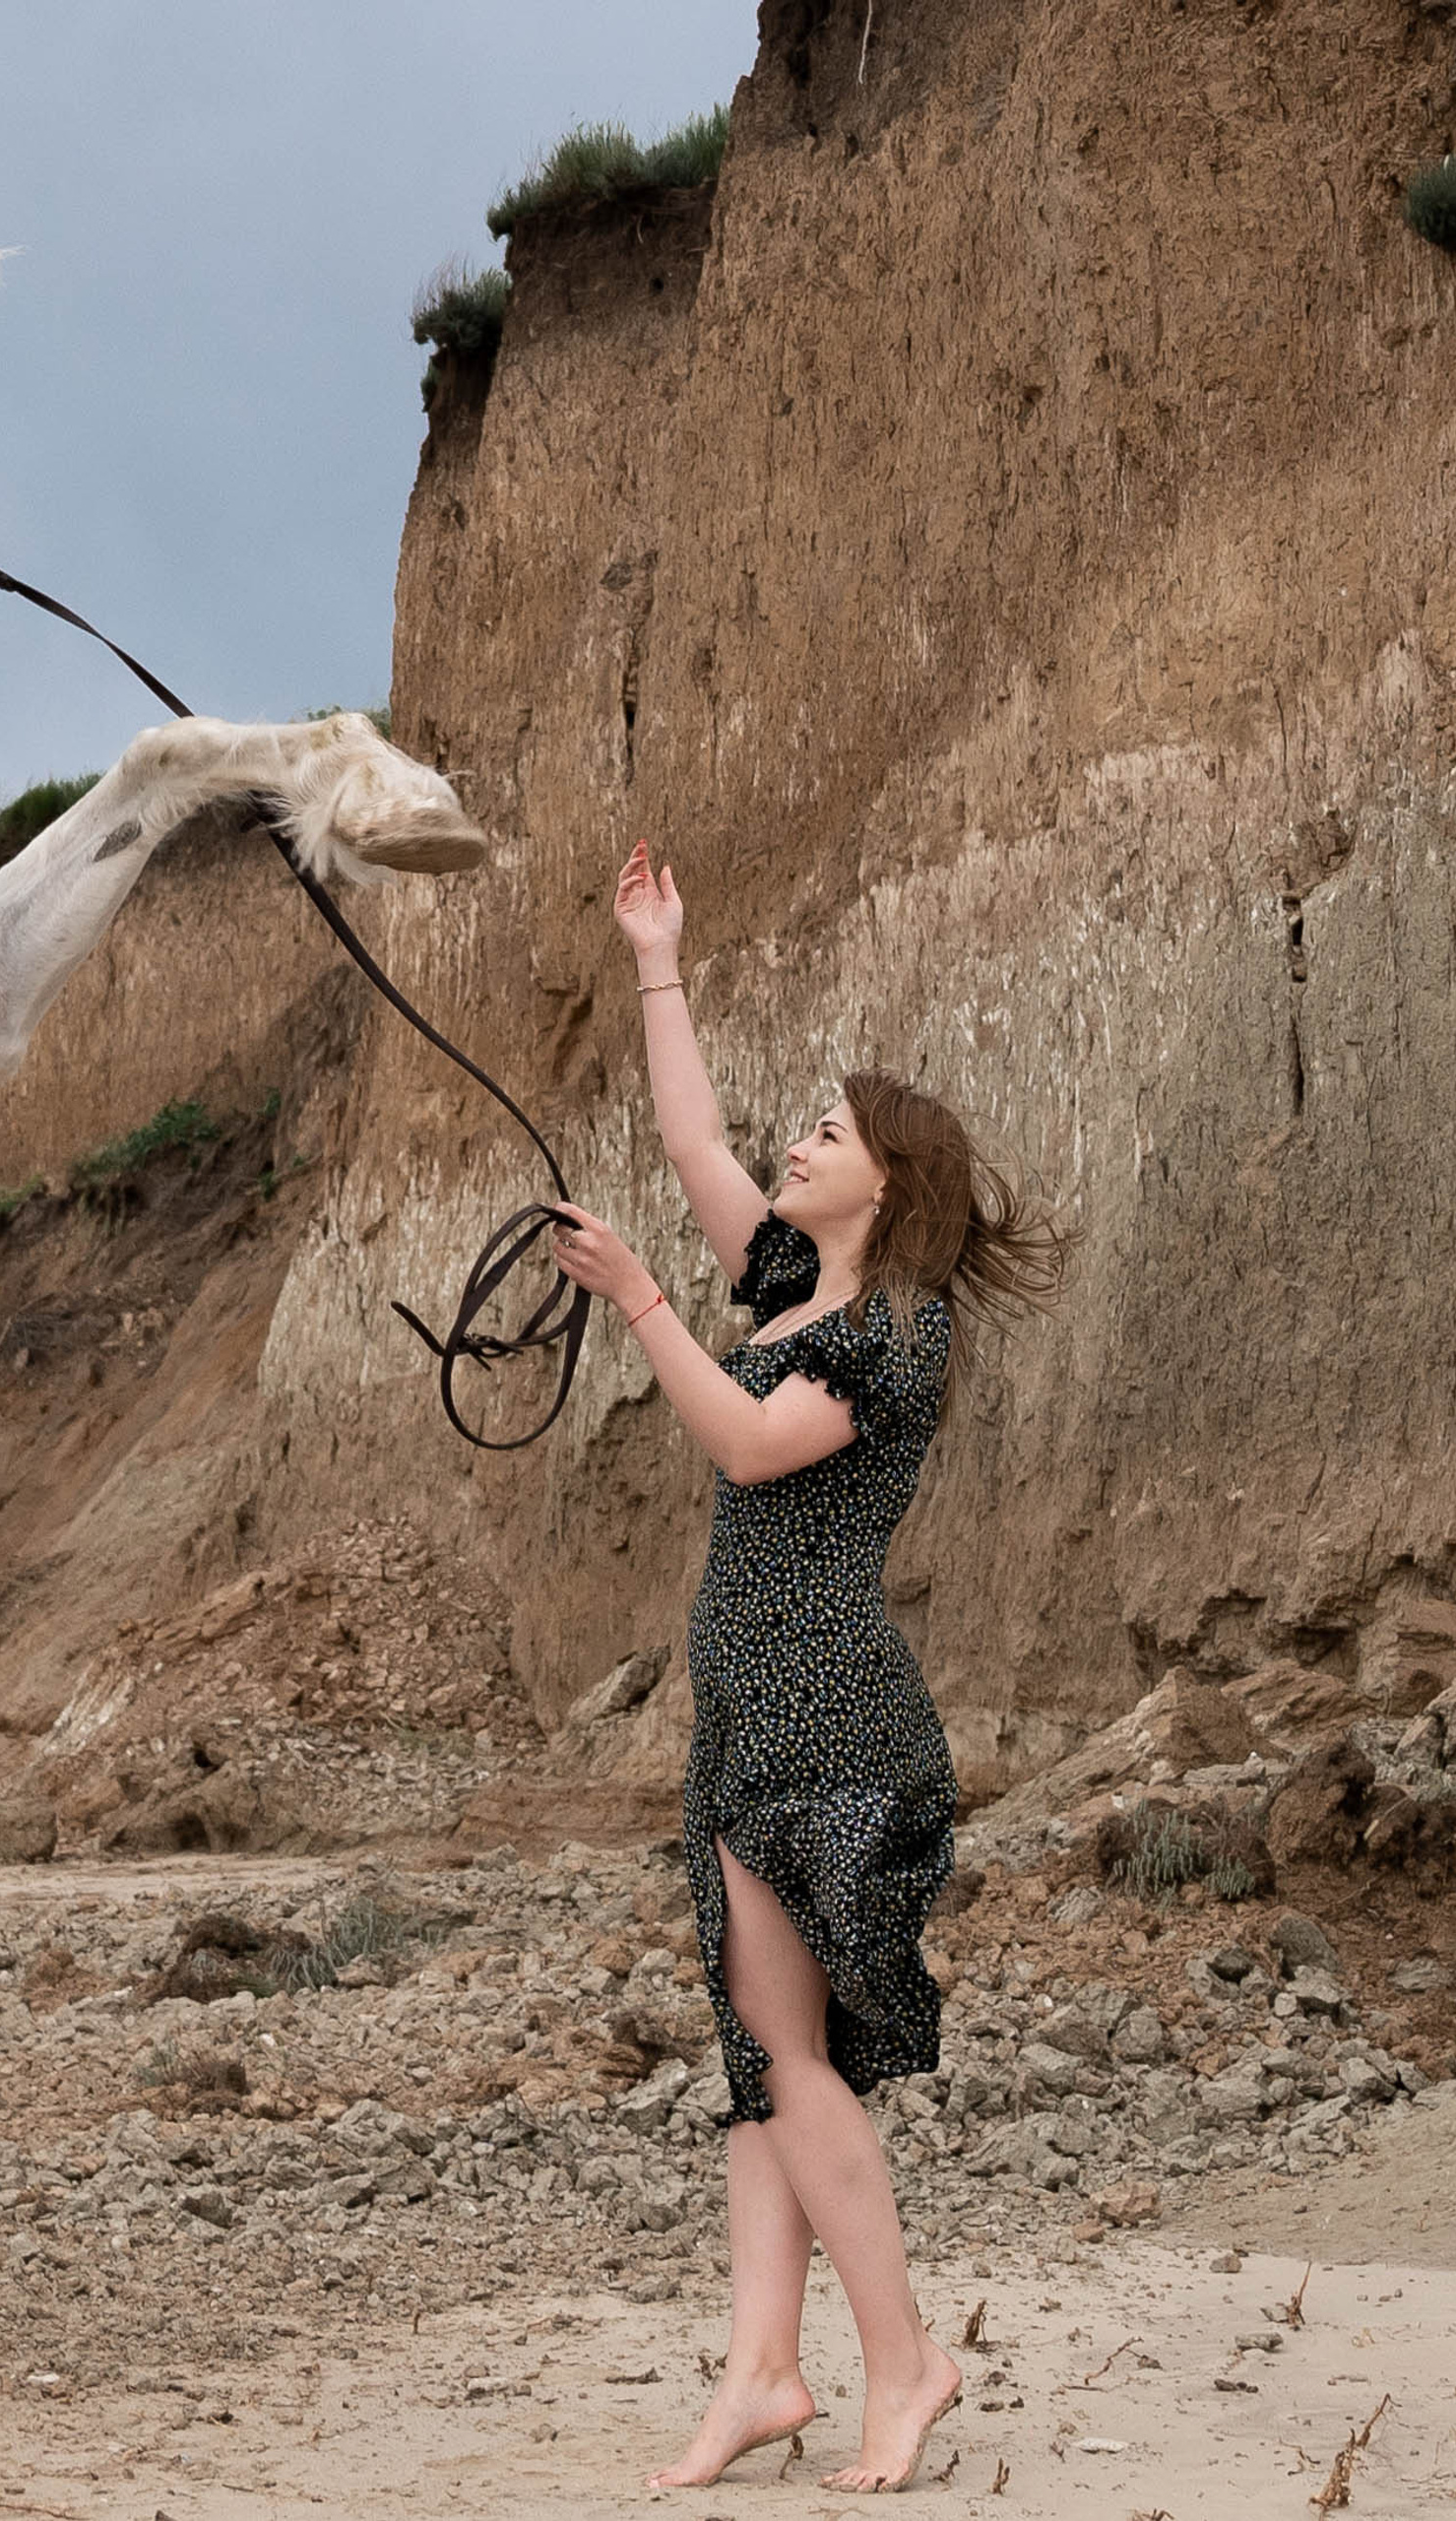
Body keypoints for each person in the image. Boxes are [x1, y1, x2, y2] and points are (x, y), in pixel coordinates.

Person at [548, 840, 1069, 2493]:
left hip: (830, 1721)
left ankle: (903, 2367)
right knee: (766, 2063)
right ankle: (765, 2370)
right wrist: (658, 955)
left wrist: (639, 1300)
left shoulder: (890, 1339)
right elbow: (695, 1136)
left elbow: (757, 1447)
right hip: (758, 1717)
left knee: (791, 2063)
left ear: (888, 1184)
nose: (797, 1138)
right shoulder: (791, 1282)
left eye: (829, 1132)